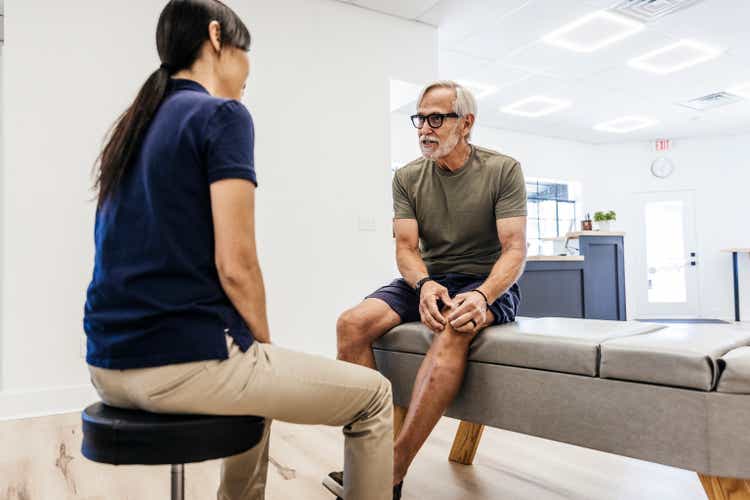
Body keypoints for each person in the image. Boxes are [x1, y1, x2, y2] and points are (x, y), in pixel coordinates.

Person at [83, 2, 395, 499]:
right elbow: (237, 265)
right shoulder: (223, 115)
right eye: (245, 50)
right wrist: (264, 348)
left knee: (257, 384)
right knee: (375, 396)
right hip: (177, 367)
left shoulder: (136, 124)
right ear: (215, 37)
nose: (248, 68)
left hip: (106, 365)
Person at [325, 80, 527, 497]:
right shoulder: (407, 177)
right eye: (420, 119)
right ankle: (371, 459)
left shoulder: (502, 169)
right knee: (351, 324)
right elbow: (405, 248)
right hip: (428, 279)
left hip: (485, 282)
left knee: (455, 327)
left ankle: (392, 470)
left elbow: (514, 250)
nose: (424, 129)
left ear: (466, 123)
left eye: (436, 119)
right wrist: (424, 283)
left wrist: (483, 295)